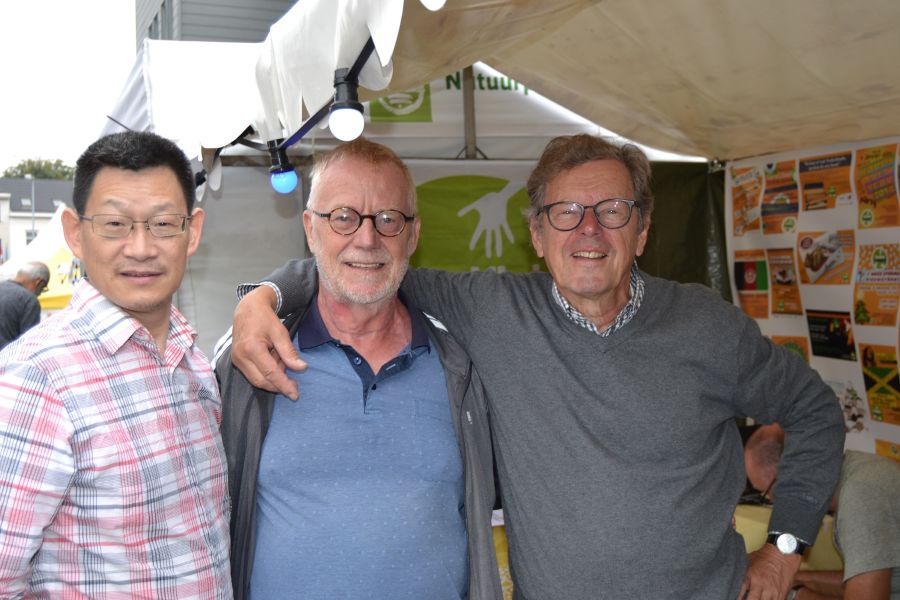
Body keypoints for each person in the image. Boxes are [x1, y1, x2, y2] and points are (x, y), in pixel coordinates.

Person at [231, 134, 845, 600]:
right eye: (566, 212)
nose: (589, 230)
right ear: (537, 234)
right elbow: (361, 264)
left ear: (642, 229)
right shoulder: (494, 311)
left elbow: (816, 411)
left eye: (612, 210)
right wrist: (263, 297)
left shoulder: (707, 327)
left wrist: (786, 547)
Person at [214, 138, 501, 600]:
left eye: (388, 219)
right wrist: (261, 296)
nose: (367, 239)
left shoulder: (460, 367)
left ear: (413, 235)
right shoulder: (252, 361)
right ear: (310, 229)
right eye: (343, 217)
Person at [0, 131, 232, 598]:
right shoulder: (36, 378)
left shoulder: (193, 362)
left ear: (192, 232)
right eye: (114, 224)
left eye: (163, 223)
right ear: (75, 234)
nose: (141, 248)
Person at [746, 424, 900, 599]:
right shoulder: (858, 471)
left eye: (768, 494)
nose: (773, 503)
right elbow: (858, 581)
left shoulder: (860, 495)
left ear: (789, 476)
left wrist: (796, 595)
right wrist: (788, 578)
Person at [0, 260, 50, 349]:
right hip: (9, 356)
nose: (40, 294)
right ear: (39, 282)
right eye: (43, 288)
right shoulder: (29, 300)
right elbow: (29, 345)